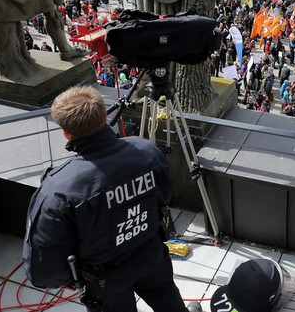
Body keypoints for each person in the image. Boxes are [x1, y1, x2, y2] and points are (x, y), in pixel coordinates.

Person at [22, 86, 197, 311]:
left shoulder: (58, 191)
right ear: (104, 117)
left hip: (105, 277)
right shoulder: (147, 151)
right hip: (150, 254)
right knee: (168, 300)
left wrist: (76, 279)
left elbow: (44, 264)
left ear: (66, 133)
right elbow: (164, 198)